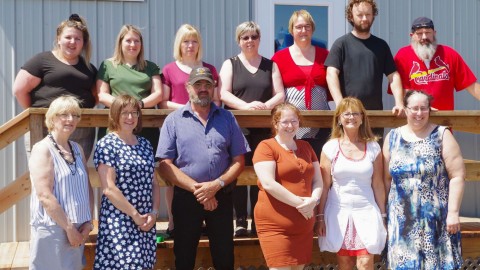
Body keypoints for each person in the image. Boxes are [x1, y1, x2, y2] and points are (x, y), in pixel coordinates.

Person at [157, 66, 249, 269]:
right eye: (198, 84)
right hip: (186, 198)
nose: (203, 88)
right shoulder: (173, 120)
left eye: (208, 84)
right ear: (188, 87)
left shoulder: (227, 118)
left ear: (214, 87)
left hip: (221, 196)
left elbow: (239, 161)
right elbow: (164, 165)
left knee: (225, 257)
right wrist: (200, 191)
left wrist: (215, 186)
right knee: (184, 257)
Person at [383, 90, 465, 269]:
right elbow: (386, 179)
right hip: (401, 219)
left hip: (436, 219)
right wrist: (384, 214)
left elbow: (457, 176)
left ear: (430, 110)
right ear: (405, 109)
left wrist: (453, 212)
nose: (419, 113)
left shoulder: (442, 135)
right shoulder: (392, 138)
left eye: (423, 108)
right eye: (414, 108)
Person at [219, 21, 285, 237]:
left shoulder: (270, 65)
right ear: (239, 41)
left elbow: (280, 94)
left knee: (261, 175)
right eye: (245, 37)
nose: (249, 41)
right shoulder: (230, 64)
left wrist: (266, 106)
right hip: (236, 129)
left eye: (253, 37)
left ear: (259, 39)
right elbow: (224, 94)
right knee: (238, 172)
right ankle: (239, 221)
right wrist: (246, 107)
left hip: (264, 130)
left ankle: (258, 220)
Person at [160, 24, 220, 238]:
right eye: (186, 41)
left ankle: (205, 219)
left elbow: (216, 99)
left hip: (207, 124)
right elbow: (164, 102)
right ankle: (174, 221)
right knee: (175, 174)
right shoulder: (169, 69)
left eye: (194, 41)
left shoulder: (210, 69)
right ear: (179, 44)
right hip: (179, 124)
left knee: (207, 168)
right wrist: (190, 110)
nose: (190, 45)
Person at [13, 14, 97, 159]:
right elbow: (19, 90)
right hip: (45, 127)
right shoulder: (42, 60)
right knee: (45, 175)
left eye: (78, 39)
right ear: (58, 39)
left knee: (76, 174)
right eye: (68, 37)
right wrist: (38, 113)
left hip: (80, 129)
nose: (73, 42)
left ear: (83, 43)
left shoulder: (89, 68)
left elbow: (96, 96)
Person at [316, 97, 386, 270]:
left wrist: (383, 216)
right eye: (346, 114)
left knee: (365, 262)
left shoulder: (373, 147)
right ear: (339, 118)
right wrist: (320, 217)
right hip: (338, 211)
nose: (351, 117)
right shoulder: (330, 147)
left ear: (362, 118)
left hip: (367, 210)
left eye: (356, 113)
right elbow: (324, 186)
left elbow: (378, 184)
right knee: (345, 264)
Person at [93, 94, 160, 269]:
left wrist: (154, 212)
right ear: (115, 115)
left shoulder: (145, 143)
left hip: (146, 221)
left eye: (134, 113)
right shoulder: (107, 144)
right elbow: (109, 188)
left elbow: (154, 183)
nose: (130, 117)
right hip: (120, 221)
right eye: (125, 113)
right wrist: (135, 216)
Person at [252, 102, 322, 269]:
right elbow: (268, 184)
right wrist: (302, 204)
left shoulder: (306, 146)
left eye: (294, 121)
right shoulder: (266, 147)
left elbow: (318, 180)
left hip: (303, 223)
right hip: (276, 224)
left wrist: (314, 200)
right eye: (285, 122)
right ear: (276, 123)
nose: (290, 126)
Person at [29, 95, 93, 270]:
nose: (70, 119)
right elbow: (45, 195)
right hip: (54, 230)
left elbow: (86, 186)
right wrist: (69, 229)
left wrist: (88, 222)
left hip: (78, 228)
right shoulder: (42, 149)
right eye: (64, 114)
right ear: (52, 117)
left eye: (75, 115)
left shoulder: (77, 148)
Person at [325, 0, 404, 124]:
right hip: (348, 115)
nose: (364, 18)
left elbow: (393, 76)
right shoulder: (341, 44)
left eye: (368, 14)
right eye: (360, 15)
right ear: (351, 16)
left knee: (374, 144)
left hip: (374, 116)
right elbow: (331, 73)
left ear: (373, 15)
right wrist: (340, 103)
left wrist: (399, 103)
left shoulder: (381, 45)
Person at [272, 10, 332, 156]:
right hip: (290, 126)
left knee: (320, 165)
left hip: (321, 124)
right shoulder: (279, 57)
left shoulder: (325, 55)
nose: (303, 30)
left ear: (312, 29)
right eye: (298, 27)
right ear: (291, 30)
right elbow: (277, 94)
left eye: (307, 26)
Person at [96, 24, 163, 152]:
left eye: (136, 41)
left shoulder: (150, 66)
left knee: (145, 165)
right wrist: (124, 107)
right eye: (128, 40)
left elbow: (158, 93)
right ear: (120, 42)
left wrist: (139, 105)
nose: (133, 44)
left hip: (145, 124)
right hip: (116, 123)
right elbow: (102, 95)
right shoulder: (108, 65)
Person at [390, 17, 480, 110]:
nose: (424, 37)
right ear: (412, 35)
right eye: (419, 33)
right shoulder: (403, 55)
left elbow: (471, 86)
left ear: (434, 33)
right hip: (415, 117)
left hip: (444, 120)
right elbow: (402, 90)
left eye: (428, 32)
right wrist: (423, 108)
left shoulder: (449, 54)